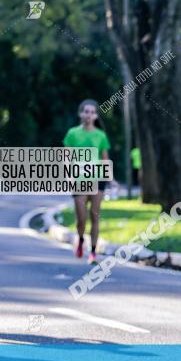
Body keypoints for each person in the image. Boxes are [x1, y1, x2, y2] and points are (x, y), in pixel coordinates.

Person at [63, 99, 112, 264]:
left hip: (97, 179)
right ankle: (81, 239)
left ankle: (92, 252)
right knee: (82, 218)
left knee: (95, 216)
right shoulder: (72, 134)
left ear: (96, 115)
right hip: (79, 180)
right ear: (80, 114)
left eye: (92, 112)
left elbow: (105, 159)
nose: (88, 115)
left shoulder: (100, 136)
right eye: (86, 111)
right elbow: (67, 158)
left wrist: (111, 179)